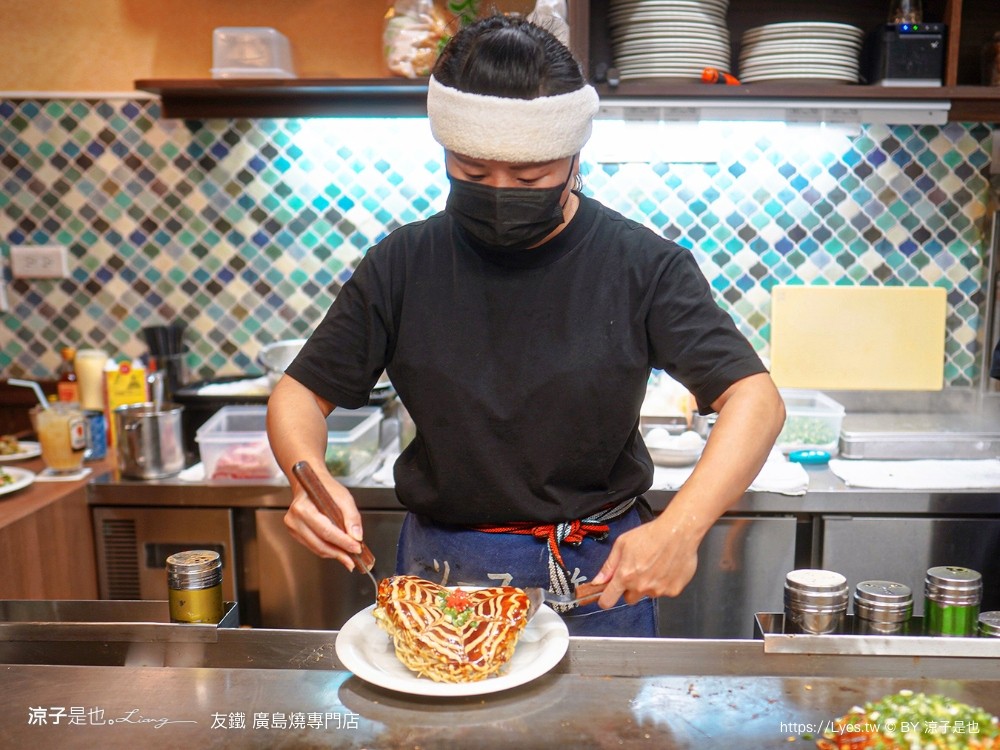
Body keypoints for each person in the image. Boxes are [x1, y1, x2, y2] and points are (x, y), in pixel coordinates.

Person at [267, 13, 786, 637]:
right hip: (442, 577)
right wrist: (306, 476)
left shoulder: (640, 265)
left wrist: (681, 526)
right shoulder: (404, 264)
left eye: (530, 177)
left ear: (573, 156)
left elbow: (754, 399)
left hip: (597, 579)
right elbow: (299, 393)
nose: (500, 192)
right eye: (473, 173)